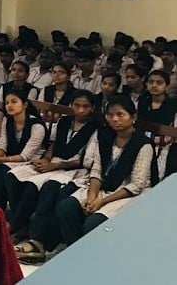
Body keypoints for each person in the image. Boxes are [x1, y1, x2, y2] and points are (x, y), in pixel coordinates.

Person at [9, 91, 100, 258]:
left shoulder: (95, 129)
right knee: (29, 184)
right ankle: (19, 227)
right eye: (77, 105)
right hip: (55, 163)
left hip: (74, 169)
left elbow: (85, 160)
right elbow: (53, 144)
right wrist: (47, 159)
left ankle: (38, 240)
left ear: (92, 108)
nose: (80, 110)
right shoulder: (64, 121)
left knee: (50, 189)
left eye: (85, 106)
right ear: (71, 105)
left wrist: (55, 165)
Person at [55, 97, 153, 246]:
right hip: (102, 187)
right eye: (110, 115)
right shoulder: (106, 137)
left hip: (125, 193)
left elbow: (137, 184)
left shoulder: (143, 145)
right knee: (65, 208)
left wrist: (102, 201)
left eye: (120, 115)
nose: (114, 119)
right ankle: (75, 251)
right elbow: (97, 169)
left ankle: (92, 257)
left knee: (93, 224)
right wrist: (92, 196)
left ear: (133, 117)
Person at [0, 90, 46, 208]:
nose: (9, 105)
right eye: (7, 102)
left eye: (14, 102)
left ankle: (0, 210)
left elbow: (25, 156)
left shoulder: (37, 126)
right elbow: (2, 146)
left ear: (24, 105)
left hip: (30, 162)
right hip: (13, 159)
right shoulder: (7, 120)